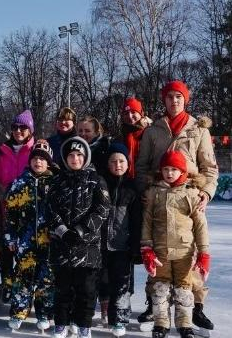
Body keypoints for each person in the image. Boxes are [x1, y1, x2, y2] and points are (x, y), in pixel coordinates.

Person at [135, 80, 218, 330]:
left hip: (189, 197)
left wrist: (206, 192)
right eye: (170, 97)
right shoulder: (153, 130)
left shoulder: (198, 130)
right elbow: (142, 166)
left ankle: (196, 308)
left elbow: (210, 168)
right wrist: (144, 191)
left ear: (185, 100)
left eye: (179, 97)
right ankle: (154, 305)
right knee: (158, 254)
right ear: (165, 100)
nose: (174, 101)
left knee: (189, 256)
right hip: (159, 196)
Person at [141, 150, 210, 338]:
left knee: (184, 288)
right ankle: (161, 323)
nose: (169, 173)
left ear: (182, 171)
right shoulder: (153, 192)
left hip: (184, 252)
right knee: (160, 288)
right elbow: (147, 222)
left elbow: (201, 225)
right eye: (166, 169)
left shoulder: (192, 193)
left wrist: (204, 253)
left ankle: (184, 324)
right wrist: (147, 248)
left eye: (174, 169)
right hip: (160, 251)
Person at [47, 136, 109, 338]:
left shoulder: (96, 180)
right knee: (62, 290)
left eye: (79, 155)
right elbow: (50, 209)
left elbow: (102, 209)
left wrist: (81, 230)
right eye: (71, 155)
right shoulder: (57, 181)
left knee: (87, 292)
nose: (75, 159)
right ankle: (61, 324)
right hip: (61, 246)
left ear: (85, 157)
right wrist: (63, 231)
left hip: (87, 250)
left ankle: (84, 325)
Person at [5, 141, 55, 332]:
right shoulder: (19, 183)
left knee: (46, 278)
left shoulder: (54, 183)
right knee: (24, 276)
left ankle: (43, 314)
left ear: (48, 162)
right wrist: (10, 237)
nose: (38, 162)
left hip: (48, 240)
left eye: (42, 159)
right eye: (35, 158)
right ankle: (18, 312)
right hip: (25, 241)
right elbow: (11, 214)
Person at [0, 109, 35, 301]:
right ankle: (7, 284)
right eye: (15, 127)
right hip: (5, 210)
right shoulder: (3, 151)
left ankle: (25, 291)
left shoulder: (35, 150)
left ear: (30, 130)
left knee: (26, 255)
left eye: (23, 128)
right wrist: (2, 194)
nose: (18, 131)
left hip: (28, 213)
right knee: (6, 254)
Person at [99, 143, 142, 337]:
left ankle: (120, 319)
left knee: (122, 284)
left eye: (121, 161)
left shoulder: (132, 187)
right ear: (107, 164)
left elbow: (137, 220)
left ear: (128, 163)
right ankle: (103, 312)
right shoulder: (100, 184)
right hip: (100, 244)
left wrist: (136, 246)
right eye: (113, 161)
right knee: (102, 282)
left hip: (123, 246)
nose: (117, 165)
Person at [119, 97, 151, 178]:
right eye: (126, 113)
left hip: (147, 179)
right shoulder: (120, 137)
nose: (130, 116)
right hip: (126, 180)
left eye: (133, 112)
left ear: (141, 114)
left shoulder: (150, 133)